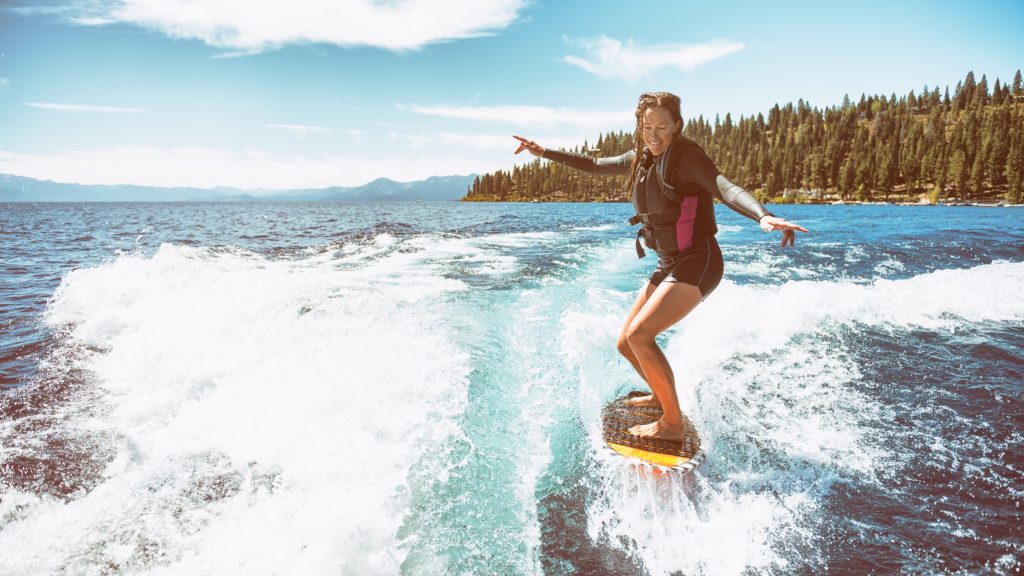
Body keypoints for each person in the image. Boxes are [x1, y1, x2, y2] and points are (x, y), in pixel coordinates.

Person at [513, 91, 808, 441]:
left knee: (641, 336)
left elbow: (724, 187)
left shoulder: (686, 158)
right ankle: (659, 395)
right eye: (646, 126)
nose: (654, 135)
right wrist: (543, 152)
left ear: (677, 125)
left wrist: (764, 215)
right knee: (625, 342)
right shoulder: (640, 158)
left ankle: (672, 423)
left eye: (662, 127)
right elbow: (594, 165)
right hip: (670, 262)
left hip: (699, 261)